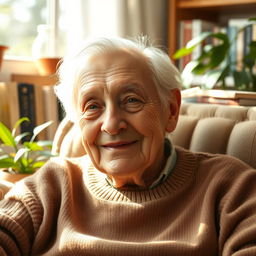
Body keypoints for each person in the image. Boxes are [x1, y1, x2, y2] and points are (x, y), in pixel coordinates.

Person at [0, 36, 256, 256]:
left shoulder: (230, 188)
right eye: (92, 107)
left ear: (171, 110)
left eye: (131, 100)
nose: (111, 125)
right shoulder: (51, 186)